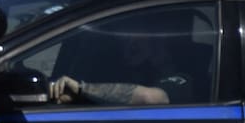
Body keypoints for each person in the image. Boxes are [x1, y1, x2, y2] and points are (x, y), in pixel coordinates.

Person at [49, 21, 194, 106]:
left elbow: (152, 98)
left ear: (157, 40)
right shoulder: (119, 72)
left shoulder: (182, 80)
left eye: (136, 41)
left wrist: (82, 89)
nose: (128, 47)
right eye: (124, 40)